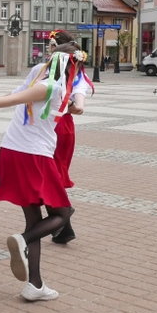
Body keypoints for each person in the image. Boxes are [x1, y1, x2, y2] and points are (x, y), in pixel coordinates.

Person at [0, 51, 86, 302]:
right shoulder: (50, 87)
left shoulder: (45, 84)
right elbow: (6, 101)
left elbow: (9, 98)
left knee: (34, 220)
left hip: (12, 152)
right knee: (62, 214)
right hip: (33, 157)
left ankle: (35, 285)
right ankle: (22, 240)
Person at [39, 31, 92, 245]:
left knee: (51, 175)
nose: (48, 49)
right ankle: (63, 227)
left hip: (59, 127)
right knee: (48, 175)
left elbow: (78, 107)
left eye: (51, 45)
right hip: (49, 125)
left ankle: (62, 218)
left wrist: (65, 102)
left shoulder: (76, 78)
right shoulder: (52, 72)